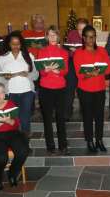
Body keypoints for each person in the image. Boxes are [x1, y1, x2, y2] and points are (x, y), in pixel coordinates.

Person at [74, 25, 110, 152]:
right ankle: (90, 140)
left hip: (99, 88)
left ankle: (99, 140)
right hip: (85, 90)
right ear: (84, 38)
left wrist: (99, 72)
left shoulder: (102, 51)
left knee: (99, 116)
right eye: (89, 37)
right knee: (88, 116)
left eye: (93, 36)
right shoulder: (78, 53)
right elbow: (79, 74)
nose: (91, 39)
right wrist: (90, 73)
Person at [0, 31, 38, 134]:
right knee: (12, 118)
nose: (16, 46)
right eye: (13, 44)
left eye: (18, 44)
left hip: (27, 91)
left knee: (25, 118)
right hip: (10, 93)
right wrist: (6, 78)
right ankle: (15, 143)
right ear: (9, 44)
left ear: (21, 44)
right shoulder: (2, 58)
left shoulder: (29, 56)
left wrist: (27, 74)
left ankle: (25, 142)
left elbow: (36, 75)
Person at [37, 25, 69, 155]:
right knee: (47, 118)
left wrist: (58, 71)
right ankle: (50, 145)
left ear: (58, 36)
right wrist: (46, 70)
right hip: (46, 88)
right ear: (46, 36)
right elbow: (41, 73)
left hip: (60, 88)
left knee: (61, 117)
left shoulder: (64, 52)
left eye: (54, 34)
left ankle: (63, 145)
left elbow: (66, 70)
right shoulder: (42, 52)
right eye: (50, 34)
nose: (52, 37)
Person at [64, 18, 88, 121]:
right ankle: (67, 112)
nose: (81, 32)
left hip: (85, 64)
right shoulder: (72, 34)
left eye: (83, 29)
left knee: (83, 89)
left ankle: (84, 111)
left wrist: (79, 51)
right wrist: (70, 50)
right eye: (79, 29)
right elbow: (66, 48)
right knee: (69, 88)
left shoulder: (90, 34)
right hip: (72, 63)